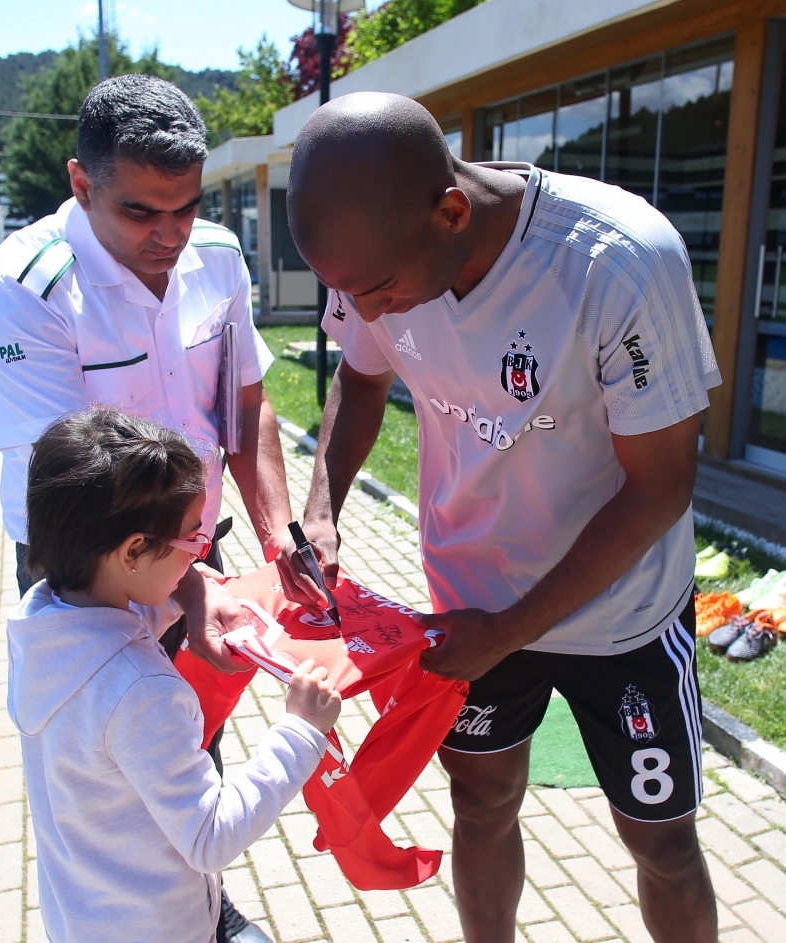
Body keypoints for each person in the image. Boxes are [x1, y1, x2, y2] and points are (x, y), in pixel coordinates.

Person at [279, 92, 720, 943]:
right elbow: (361, 380)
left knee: (660, 839)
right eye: (345, 295)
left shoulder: (618, 262)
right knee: (480, 802)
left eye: (378, 291)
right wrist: (322, 510)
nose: (366, 316)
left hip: (619, 616)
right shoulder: (374, 259)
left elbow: (660, 488)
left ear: (450, 212)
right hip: (468, 600)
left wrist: (509, 628)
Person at [0, 74, 293, 942]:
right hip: (90, 550)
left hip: (181, 545)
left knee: (183, 737)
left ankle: (201, 903)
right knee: (105, 764)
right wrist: (187, 590)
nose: (170, 235)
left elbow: (247, 400)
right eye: (142, 213)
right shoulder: (27, 287)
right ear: (82, 184)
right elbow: (78, 486)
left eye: (186, 208)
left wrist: (281, 536)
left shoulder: (218, 256)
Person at [10, 408, 341, 943]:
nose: (201, 555)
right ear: (134, 551)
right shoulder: (141, 693)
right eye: (194, 543)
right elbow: (210, 836)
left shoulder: (39, 623)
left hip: (80, 916)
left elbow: (119, 608)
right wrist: (301, 731)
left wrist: (187, 592)